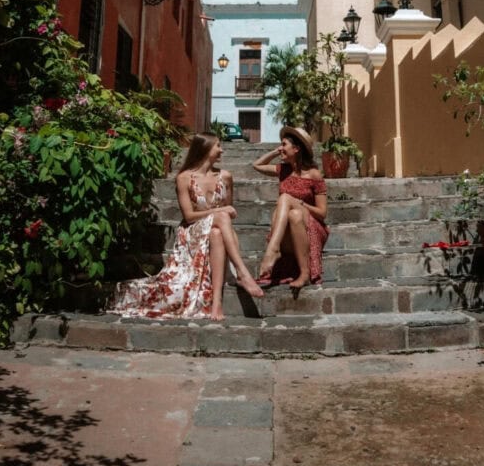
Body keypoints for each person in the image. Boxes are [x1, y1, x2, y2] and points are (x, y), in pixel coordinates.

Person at [109, 131, 263, 320]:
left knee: (217, 232)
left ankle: (217, 304)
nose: (222, 150)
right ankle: (241, 272)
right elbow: (189, 216)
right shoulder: (184, 178)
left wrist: (220, 214)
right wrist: (218, 212)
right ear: (205, 148)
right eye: (218, 146)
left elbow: (228, 211)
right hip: (192, 233)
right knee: (221, 217)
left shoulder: (226, 177)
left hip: (219, 233)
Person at [253, 126, 329, 289]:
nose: (281, 148)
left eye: (284, 144)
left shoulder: (314, 175)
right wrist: (275, 152)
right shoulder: (283, 170)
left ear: (296, 149)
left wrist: (301, 204)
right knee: (294, 215)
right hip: (290, 230)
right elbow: (257, 165)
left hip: (312, 228)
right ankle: (303, 273)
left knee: (286, 199)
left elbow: (322, 213)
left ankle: (273, 250)